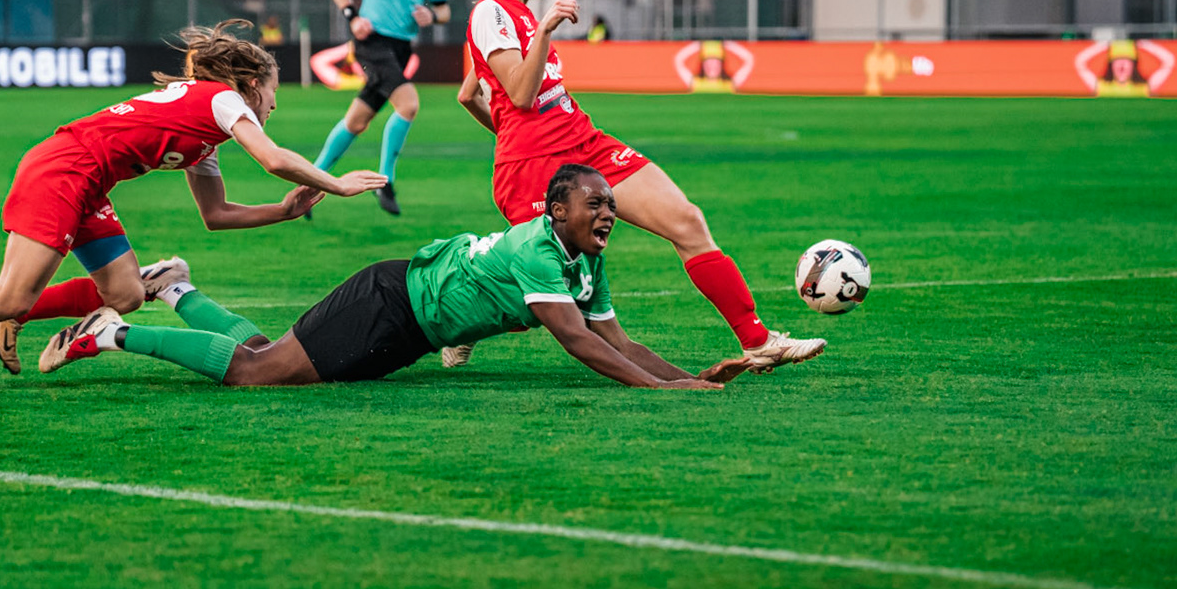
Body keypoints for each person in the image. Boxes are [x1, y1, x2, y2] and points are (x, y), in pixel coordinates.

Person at [0, 22, 386, 393]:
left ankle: (22, 313)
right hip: (62, 170)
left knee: (125, 293)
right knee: (8, 295)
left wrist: (283, 210)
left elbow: (217, 215)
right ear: (252, 84)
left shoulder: (204, 135)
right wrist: (336, 184)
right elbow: (272, 158)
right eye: (273, 93)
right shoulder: (220, 99)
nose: (275, 104)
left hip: (88, 182)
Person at [453, 0, 824, 375]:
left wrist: (509, 120)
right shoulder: (491, 13)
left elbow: (469, 93)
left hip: (584, 143)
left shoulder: (520, 14)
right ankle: (461, 324)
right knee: (552, 290)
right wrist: (545, 35)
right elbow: (521, 94)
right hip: (535, 168)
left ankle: (759, 341)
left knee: (687, 220)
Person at [38, 164, 725, 390]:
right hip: (393, 303)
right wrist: (664, 394)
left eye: (610, 203)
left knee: (267, 360)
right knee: (256, 373)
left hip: (408, 325)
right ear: (557, 211)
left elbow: (619, 341)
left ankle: (179, 289)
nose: (610, 212)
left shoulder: (586, 259)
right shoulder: (539, 249)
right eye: (595, 203)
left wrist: (685, 379)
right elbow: (579, 343)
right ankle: (114, 332)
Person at [313, 0, 452, 215]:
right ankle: (386, 181)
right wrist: (352, 16)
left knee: (357, 121)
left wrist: (433, 16)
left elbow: (444, 9)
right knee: (409, 104)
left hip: (401, 48)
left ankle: (310, 182)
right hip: (371, 43)